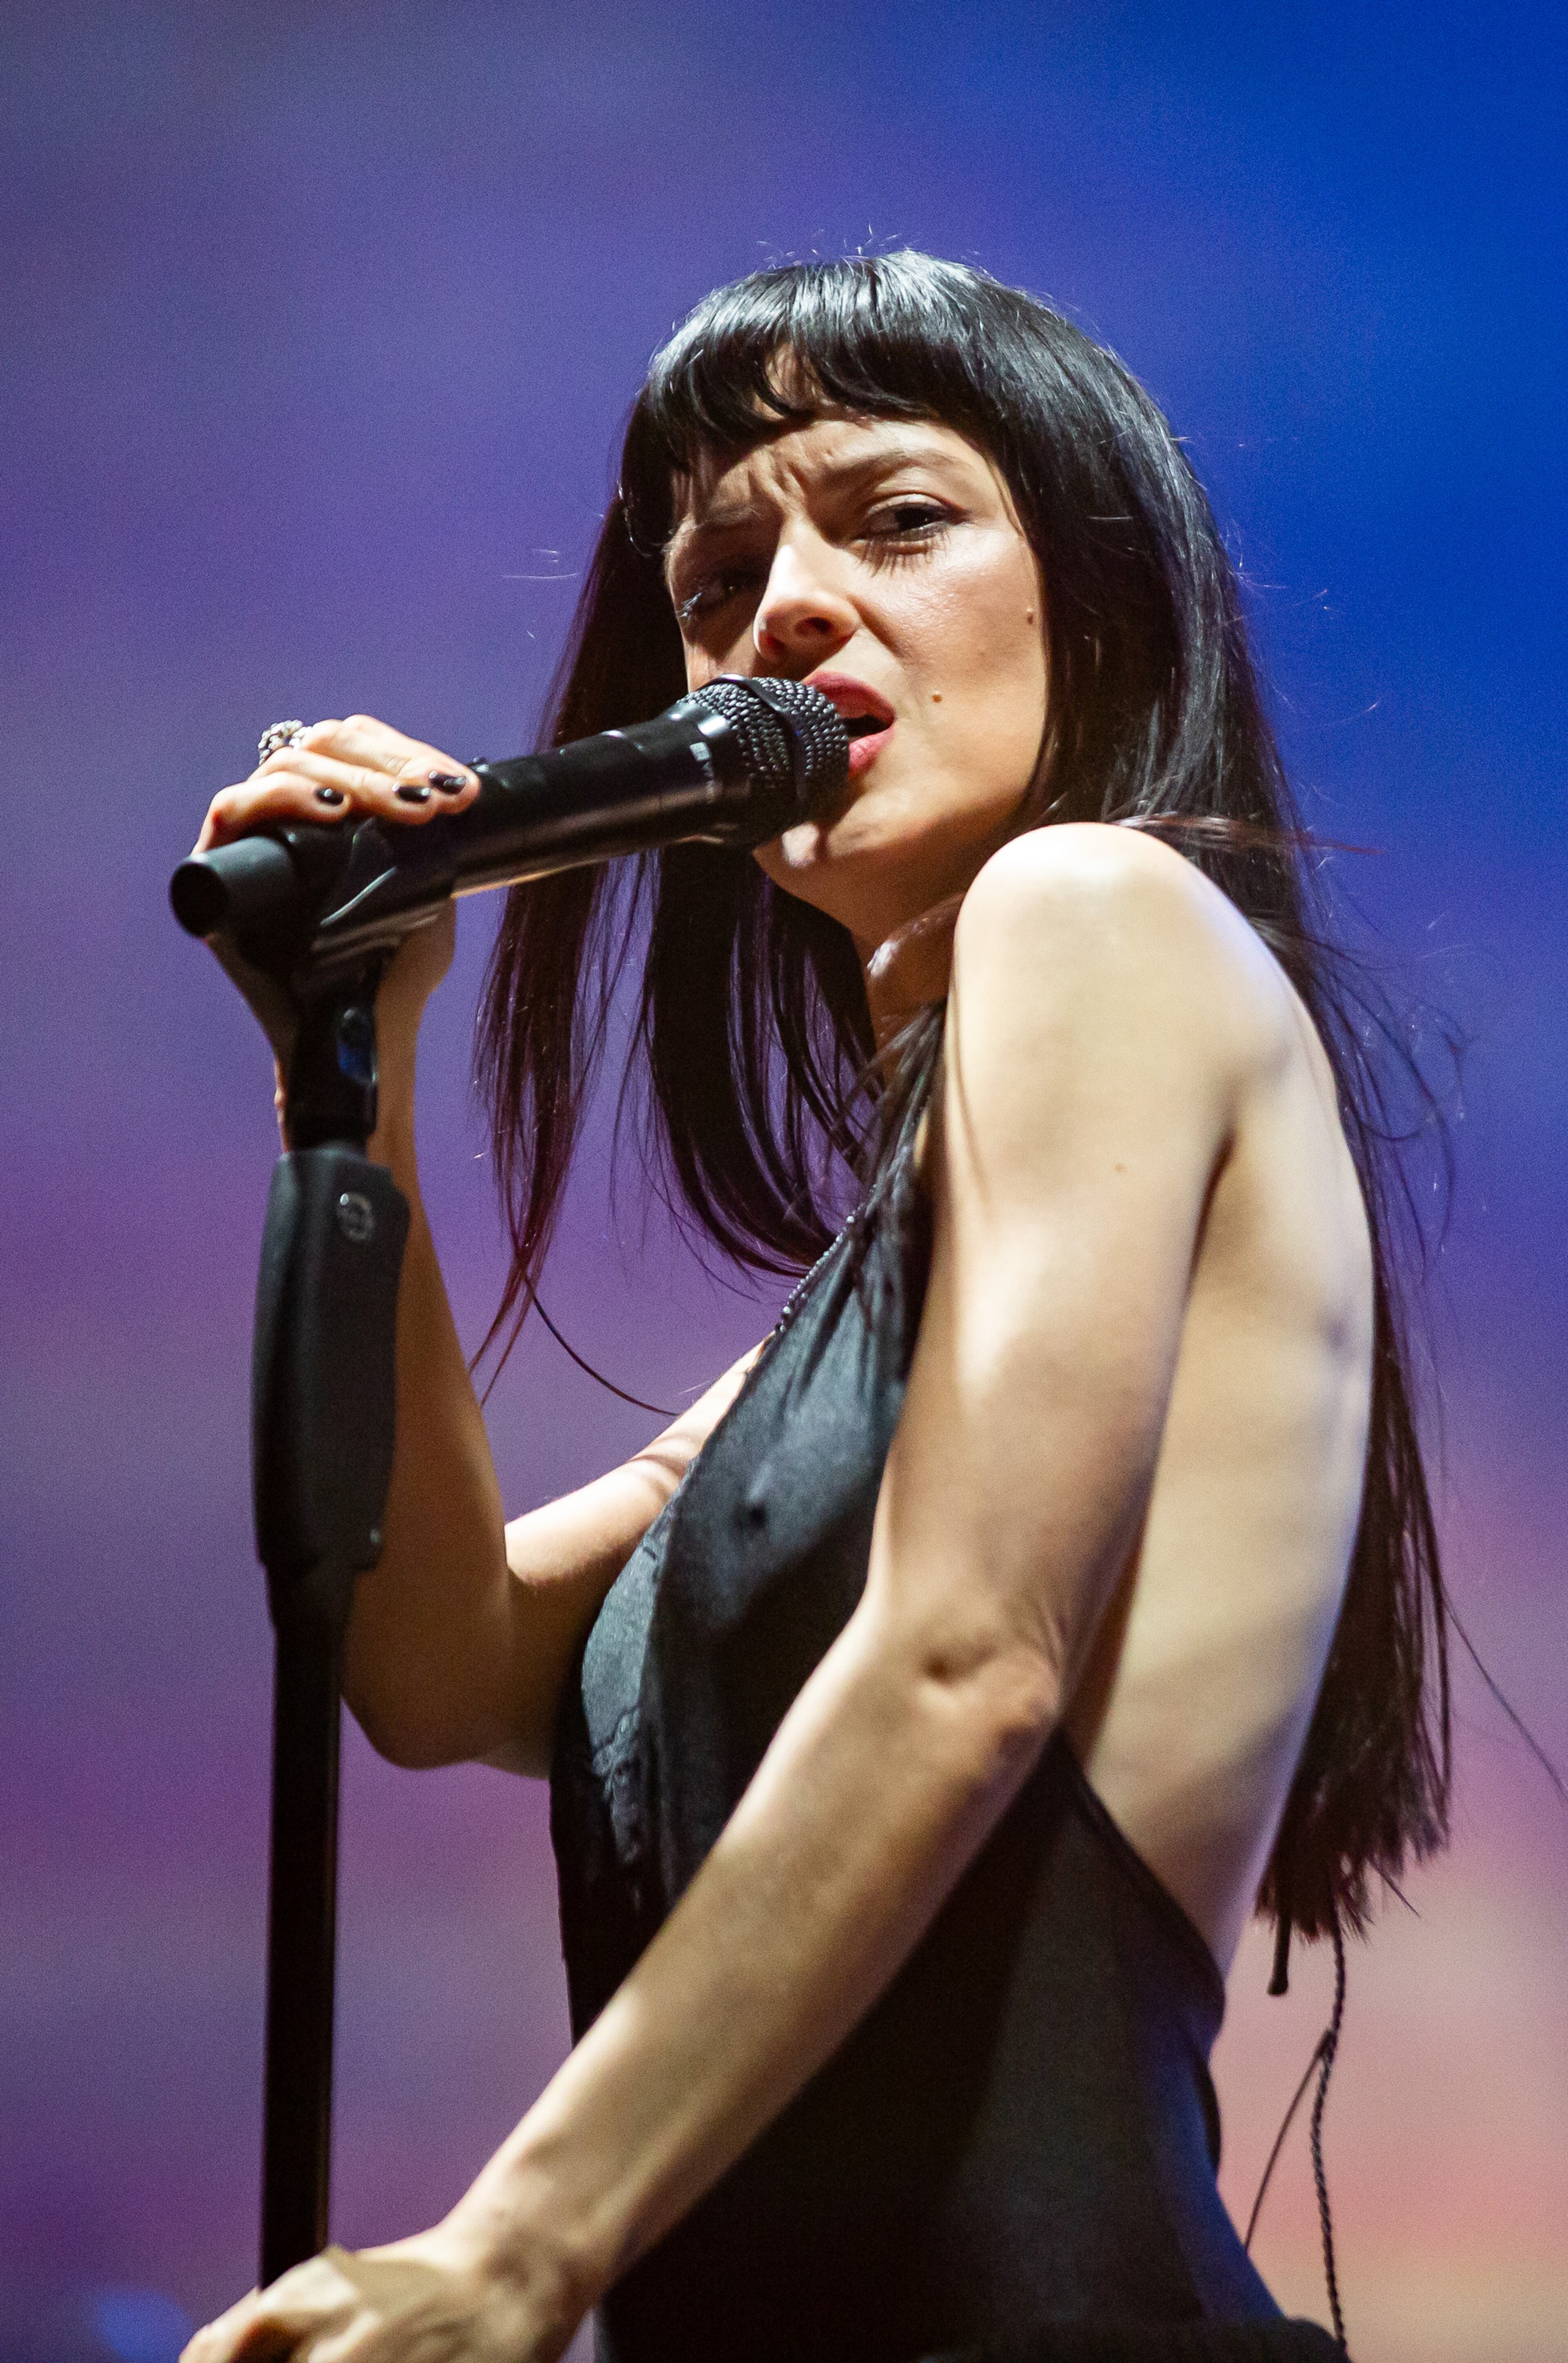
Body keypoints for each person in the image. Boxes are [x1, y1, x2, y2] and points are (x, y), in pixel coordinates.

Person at [184, 254, 1451, 2363]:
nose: (775, 613)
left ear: (1103, 594)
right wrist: (372, 1058)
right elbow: (443, 1667)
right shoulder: (852, 1329)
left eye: (899, 521)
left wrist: (515, 2247)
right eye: (713, 579)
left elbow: (968, 1654)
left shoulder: (1095, 907)